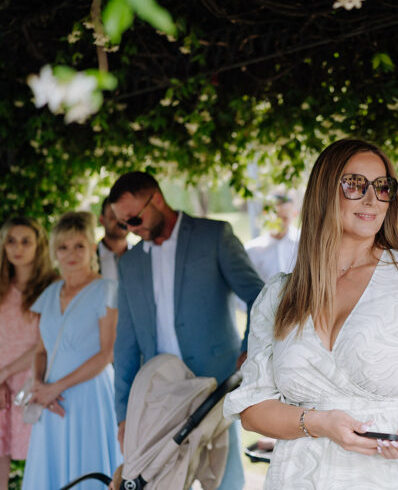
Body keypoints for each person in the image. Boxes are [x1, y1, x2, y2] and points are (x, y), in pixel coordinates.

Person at [224, 139, 398, 489]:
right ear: (324, 191)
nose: (371, 199)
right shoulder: (280, 294)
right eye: (354, 184)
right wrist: (319, 422)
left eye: (382, 188)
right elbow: (253, 409)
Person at [108, 171, 265, 490]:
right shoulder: (130, 263)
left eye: (135, 219)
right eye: (124, 224)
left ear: (157, 200)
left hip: (216, 386)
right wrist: (124, 414)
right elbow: (125, 342)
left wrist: (250, 350)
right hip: (159, 398)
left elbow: (259, 297)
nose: (131, 230)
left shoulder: (214, 236)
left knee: (226, 481)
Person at [22, 212, 122, 490]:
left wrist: (57, 388)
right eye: (63, 247)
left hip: (89, 395)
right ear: (54, 252)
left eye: (79, 245)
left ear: (91, 247)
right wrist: (41, 386)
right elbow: (41, 350)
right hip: (50, 399)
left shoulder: (107, 290)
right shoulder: (50, 294)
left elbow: (106, 354)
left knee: (88, 464)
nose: (71, 254)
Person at [0, 218, 58, 490]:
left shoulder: (54, 286)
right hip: (0, 382)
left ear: (39, 245)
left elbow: (48, 341)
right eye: (11, 241)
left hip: (36, 378)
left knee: (43, 457)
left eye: (25, 241)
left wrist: (6, 373)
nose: (17, 248)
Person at [244, 193, 300, 282]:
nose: (280, 223)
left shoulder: (303, 244)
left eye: (285, 218)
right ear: (265, 214)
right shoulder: (252, 249)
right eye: (276, 217)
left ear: (294, 214)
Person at [97, 197, 131, 282]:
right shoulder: (89, 258)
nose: (121, 222)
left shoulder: (141, 255)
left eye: (126, 217)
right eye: (113, 216)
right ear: (102, 220)